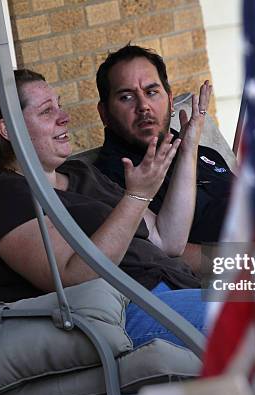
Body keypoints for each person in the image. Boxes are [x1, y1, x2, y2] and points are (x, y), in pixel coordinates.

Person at [0, 69, 211, 347]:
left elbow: (167, 239)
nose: (65, 117)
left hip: (176, 288)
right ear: (8, 129)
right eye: (47, 111)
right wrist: (136, 197)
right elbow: (74, 276)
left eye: (59, 105)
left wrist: (189, 147)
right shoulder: (4, 194)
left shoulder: (81, 173)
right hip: (124, 312)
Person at [93, 45, 233, 248]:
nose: (143, 106)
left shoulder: (203, 152)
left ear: (169, 99)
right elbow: (167, 258)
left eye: (151, 92)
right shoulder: (106, 182)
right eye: (126, 97)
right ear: (104, 113)